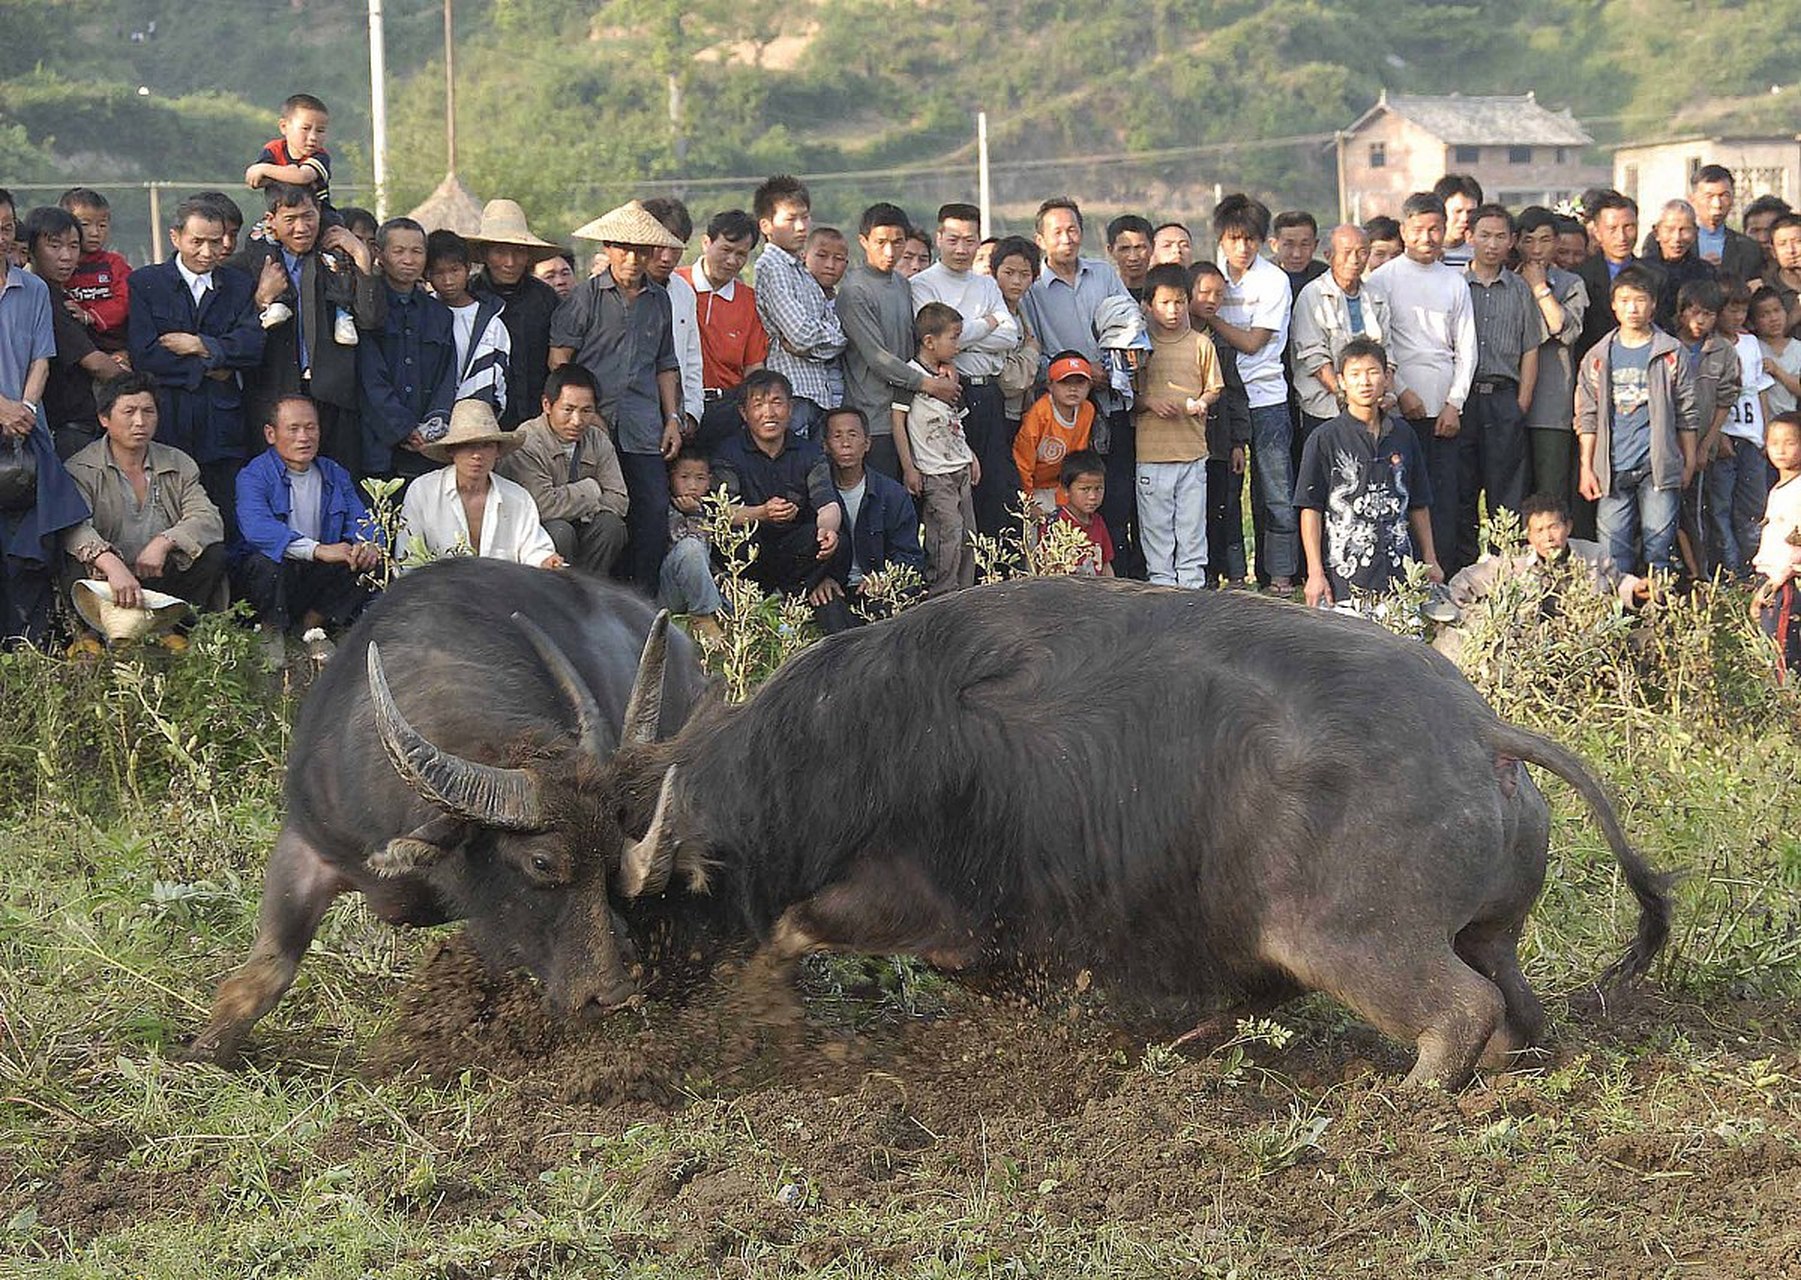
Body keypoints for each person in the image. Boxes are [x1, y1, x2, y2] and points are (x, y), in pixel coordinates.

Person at [552, 200, 685, 588]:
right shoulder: (586, 296)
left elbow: (665, 363)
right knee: (599, 512)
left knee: (652, 510)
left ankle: (641, 601)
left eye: (640, 250)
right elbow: (560, 360)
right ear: (608, 249)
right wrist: (580, 412)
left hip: (643, 425)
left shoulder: (659, 299)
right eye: (623, 248)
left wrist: (672, 418)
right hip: (591, 425)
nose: (631, 258)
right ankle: (590, 595)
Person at [126, 197, 265, 529]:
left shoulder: (239, 285)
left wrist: (200, 344)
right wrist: (214, 364)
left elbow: (252, 347)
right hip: (168, 421)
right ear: (176, 237)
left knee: (224, 519)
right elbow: (146, 355)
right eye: (197, 241)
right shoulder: (146, 283)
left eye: (215, 242)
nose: (207, 252)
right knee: (167, 517)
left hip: (222, 426)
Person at [229, 182, 384, 474]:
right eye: (290, 219)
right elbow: (236, 335)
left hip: (332, 398)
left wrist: (362, 260)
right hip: (273, 394)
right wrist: (262, 298)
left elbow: (370, 320)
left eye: (308, 216)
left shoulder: (337, 260)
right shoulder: (246, 266)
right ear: (271, 221)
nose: (301, 227)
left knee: (336, 484)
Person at [1019, 198, 1136, 573]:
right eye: (1057, 232)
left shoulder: (1103, 274)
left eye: (1073, 230)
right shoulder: (1032, 289)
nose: (1067, 239)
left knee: (1113, 494)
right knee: (1073, 495)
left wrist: (1110, 371)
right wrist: (1078, 374)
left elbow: (1129, 328)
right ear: (1040, 239)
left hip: (1111, 403)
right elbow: (1031, 348)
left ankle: (1112, 574)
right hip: (1061, 403)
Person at [1363, 191, 1477, 575]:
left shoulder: (1454, 282)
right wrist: (1400, 390)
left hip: (1445, 410)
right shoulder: (1381, 280)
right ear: (1403, 231)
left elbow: (1466, 347)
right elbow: (1382, 343)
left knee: (1442, 497)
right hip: (1398, 407)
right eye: (1419, 230)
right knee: (1398, 493)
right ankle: (1398, 579)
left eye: (1435, 229)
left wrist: (1454, 403)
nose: (1427, 237)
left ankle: (1439, 576)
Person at [0, 188, 91, 644]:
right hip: (9, 417)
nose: (1, 238)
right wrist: (4, 407)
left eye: (5, 228)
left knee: (29, 546)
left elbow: (42, 356)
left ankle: (30, 649)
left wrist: (26, 409)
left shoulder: (31, 288)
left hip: (25, 433)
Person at [63, 373, 228, 622]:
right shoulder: (81, 468)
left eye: (148, 411)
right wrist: (111, 564)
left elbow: (207, 517)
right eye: (128, 411)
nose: (140, 421)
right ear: (104, 418)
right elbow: (73, 528)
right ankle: (88, 637)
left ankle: (178, 628)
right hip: (106, 582)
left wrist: (164, 542)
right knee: (71, 557)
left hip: (160, 574)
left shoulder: (178, 463)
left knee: (212, 552)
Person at [1293, 337, 1441, 608]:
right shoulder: (1325, 438)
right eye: (1355, 374)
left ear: (1387, 377)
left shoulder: (1404, 434)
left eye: (1373, 372)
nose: (1365, 382)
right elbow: (1310, 508)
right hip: (1346, 583)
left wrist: (1430, 558)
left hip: (1400, 581)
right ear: (1341, 380)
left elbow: (1419, 501)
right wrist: (1315, 572)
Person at [1576, 266, 1699, 577]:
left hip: (1657, 464)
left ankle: (1660, 611)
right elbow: (1586, 417)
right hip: (1612, 465)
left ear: (1653, 304)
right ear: (1613, 304)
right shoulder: (1597, 356)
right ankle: (1620, 617)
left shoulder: (1671, 352)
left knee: (1659, 546)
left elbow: (1687, 411)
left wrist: (1689, 459)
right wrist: (1586, 466)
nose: (1633, 308)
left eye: (1640, 300)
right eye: (1625, 300)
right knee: (1612, 550)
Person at [911, 202, 1019, 537]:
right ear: (939, 237)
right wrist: (985, 324)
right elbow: (933, 341)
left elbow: (1009, 335)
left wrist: (957, 338)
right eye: (953, 239)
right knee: (952, 490)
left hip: (987, 391)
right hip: (947, 395)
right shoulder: (922, 284)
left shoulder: (985, 284)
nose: (962, 249)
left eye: (970, 240)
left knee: (993, 486)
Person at [233, 393, 378, 642]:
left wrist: (367, 547)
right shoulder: (254, 475)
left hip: (315, 574)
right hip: (276, 575)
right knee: (264, 562)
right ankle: (271, 632)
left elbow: (361, 520)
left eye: (311, 428)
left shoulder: (334, 473)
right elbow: (257, 528)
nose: (304, 437)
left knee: (366, 562)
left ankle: (311, 628)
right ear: (271, 434)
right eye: (294, 429)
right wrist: (318, 550)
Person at [1209, 193, 1298, 593]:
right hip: (1222, 401)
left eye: (1250, 239)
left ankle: (1279, 575)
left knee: (1275, 491)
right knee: (1227, 492)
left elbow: (1253, 343)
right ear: (1221, 239)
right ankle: (1236, 575)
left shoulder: (1274, 280)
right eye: (1233, 238)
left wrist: (1209, 315)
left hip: (1266, 399)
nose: (1242, 247)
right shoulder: (1210, 278)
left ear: (1262, 241)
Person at [840, 202, 957, 479]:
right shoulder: (855, 290)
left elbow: (913, 342)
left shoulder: (903, 284)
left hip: (910, 412)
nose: (890, 251)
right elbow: (877, 357)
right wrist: (929, 384)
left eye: (898, 242)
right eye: (881, 242)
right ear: (863, 241)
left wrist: (941, 365)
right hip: (875, 417)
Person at [706, 368, 840, 596]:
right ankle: (752, 598)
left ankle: (788, 599)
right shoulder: (727, 452)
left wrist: (827, 530)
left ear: (790, 409)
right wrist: (762, 512)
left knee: (837, 542)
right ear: (743, 412)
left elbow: (828, 504)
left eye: (777, 402)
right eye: (758, 404)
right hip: (750, 544)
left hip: (791, 543)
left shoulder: (809, 452)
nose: (769, 412)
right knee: (736, 540)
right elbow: (722, 512)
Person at [1462, 204, 1544, 560]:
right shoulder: (1454, 286)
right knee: (1460, 492)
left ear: (1512, 241)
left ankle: (1505, 574)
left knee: (1506, 495)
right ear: (1469, 238)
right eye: (1484, 236)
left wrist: (1521, 402)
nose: (1492, 244)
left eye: (1500, 237)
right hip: (1462, 399)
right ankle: (1459, 574)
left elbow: (1530, 348)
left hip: (1503, 398)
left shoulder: (1519, 290)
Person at [1132, 263, 1221, 588]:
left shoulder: (1201, 344)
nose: (1173, 310)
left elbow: (1214, 388)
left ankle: (1192, 591)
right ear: (1148, 305)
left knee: (1191, 532)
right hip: (1152, 457)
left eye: (1180, 302)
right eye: (1165, 303)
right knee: (1157, 535)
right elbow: (1130, 397)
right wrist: (1151, 403)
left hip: (1192, 454)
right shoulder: (1139, 347)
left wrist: (1202, 402)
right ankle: (1162, 591)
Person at [1443, 491, 1647, 629]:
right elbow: (1464, 582)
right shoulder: (1513, 563)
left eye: (1554, 527)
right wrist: (1469, 618)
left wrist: (1637, 589)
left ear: (1568, 527)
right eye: (1539, 530)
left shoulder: (1593, 554)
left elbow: (1618, 582)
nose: (1548, 538)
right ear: (1529, 536)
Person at [496, 363, 628, 576]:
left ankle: (588, 593)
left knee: (610, 527)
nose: (577, 421)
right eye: (568, 409)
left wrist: (580, 510)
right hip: (535, 535)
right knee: (560, 531)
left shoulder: (597, 439)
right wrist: (591, 489)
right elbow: (542, 506)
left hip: (582, 526)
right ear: (547, 405)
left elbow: (620, 498)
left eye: (586, 411)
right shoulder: (528, 441)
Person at [399, 399, 561, 569]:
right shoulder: (423, 492)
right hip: (439, 592)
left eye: (486, 446)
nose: (477, 455)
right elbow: (407, 559)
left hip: (502, 591)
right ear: (452, 450)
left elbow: (534, 548)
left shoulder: (518, 498)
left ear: (497, 451)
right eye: (468, 445)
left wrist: (546, 561)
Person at [808, 407, 924, 633]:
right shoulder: (815, 495)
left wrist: (883, 578)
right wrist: (817, 580)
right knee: (828, 611)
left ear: (867, 443)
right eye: (837, 436)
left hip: (877, 584)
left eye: (853, 435)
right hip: (837, 586)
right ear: (825, 445)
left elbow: (910, 555)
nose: (845, 443)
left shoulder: (892, 494)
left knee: (887, 617)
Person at [23, 206, 125, 460]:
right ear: (31, 250)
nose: (66, 256)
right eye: (54, 246)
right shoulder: (43, 296)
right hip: (68, 432)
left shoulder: (63, 296)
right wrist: (136, 382)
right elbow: (94, 363)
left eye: (73, 246)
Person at [359, 217, 457, 480]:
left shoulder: (439, 314)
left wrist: (432, 427)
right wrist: (403, 428)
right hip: (376, 443)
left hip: (426, 446)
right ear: (379, 254)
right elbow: (370, 378)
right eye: (398, 251)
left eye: (417, 251)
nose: (409, 260)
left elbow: (446, 378)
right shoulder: (368, 308)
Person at [752, 176, 846, 439]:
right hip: (793, 392)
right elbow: (800, 334)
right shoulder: (772, 267)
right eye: (791, 219)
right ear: (766, 225)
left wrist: (817, 345)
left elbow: (840, 336)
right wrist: (825, 340)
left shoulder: (802, 271)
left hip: (818, 393)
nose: (801, 227)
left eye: (805, 218)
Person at [893, 302, 977, 594]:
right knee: (946, 534)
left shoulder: (950, 377)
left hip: (959, 465)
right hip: (934, 471)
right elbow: (898, 420)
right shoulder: (912, 375)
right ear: (929, 341)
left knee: (968, 536)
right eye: (953, 337)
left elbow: (958, 420)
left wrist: (972, 456)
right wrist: (909, 467)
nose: (957, 344)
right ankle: (941, 594)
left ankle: (965, 594)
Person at [467, 199, 564, 430]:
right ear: (484, 253)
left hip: (538, 421)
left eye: (518, 252)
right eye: (500, 252)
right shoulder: (468, 297)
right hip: (482, 422)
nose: (510, 262)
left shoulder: (545, 299)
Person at [1290, 224, 1390, 444]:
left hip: (1373, 407)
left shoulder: (1376, 295)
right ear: (1328, 256)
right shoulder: (1313, 295)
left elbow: (1387, 351)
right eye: (1346, 253)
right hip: (1326, 407)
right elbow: (1314, 356)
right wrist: (1346, 396)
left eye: (1362, 252)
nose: (1355, 260)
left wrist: (1382, 393)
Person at [1516, 205, 1588, 509]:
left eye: (1545, 240)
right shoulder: (1505, 281)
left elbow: (1563, 327)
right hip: (1510, 397)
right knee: (1514, 487)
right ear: (1516, 242)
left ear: (1557, 242)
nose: (1536, 249)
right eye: (1528, 240)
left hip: (1552, 401)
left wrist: (1539, 287)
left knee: (1551, 488)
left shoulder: (1571, 284)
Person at [680, 209, 769, 453]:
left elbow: (753, 368)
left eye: (741, 254)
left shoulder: (749, 301)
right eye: (726, 250)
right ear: (706, 242)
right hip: (676, 406)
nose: (732, 261)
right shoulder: (675, 285)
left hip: (727, 410)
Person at [1671, 279, 1740, 578]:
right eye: (1694, 312)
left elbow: (1725, 400)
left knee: (1696, 513)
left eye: (1709, 314)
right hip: (1666, 447)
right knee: (1665, 516)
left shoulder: (1723, 351)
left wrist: (1704, 446)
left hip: (1702, 447)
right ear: (1681, 311)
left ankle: (1701, 576)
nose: (1700, 321)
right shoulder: (1667, 345)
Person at [1709, 276, 1776, 576]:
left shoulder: (1750, 343)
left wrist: (1766, 431)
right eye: (1729, 310)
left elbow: (1761, 388)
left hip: (1752, 436)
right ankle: (1730, 570)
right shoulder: (1711, 345)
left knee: (1752, 506)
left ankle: (1753, 569)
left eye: (1741, 310)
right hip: (1725, 436)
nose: (1735, 317)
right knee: (1720, 506)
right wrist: (1717, 434)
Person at [1191, 262, 1251, 587]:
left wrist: (1238, 442)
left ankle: (1224, 575)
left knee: (1221, 508)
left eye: (1219, 294)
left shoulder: (1221, 341)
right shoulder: (1175, 336)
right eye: (1204, 292)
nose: (1211, 299)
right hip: (1184, 439)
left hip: (1219, 439)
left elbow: (1235, 392)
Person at [424, 230, 510, 413]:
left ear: (468, 268)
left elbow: (498, 377)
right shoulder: (421, 314)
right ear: (427, 275)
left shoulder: (491, 324)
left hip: (476, 415)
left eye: (455, 270)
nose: (448, 280)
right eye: (438, 273)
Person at [642, 197, 705, 446]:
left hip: (672, 418)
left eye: (676, 246)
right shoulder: (613, 291)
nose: (667, 257)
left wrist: (690, 412)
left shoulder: (683, 292)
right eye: (659, 245)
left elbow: (691, 357)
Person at [1576, 191, 1663, 359]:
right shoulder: (1581, 277)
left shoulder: (1656, 276)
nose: (1622, 237)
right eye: (1612, 229)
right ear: (1597, 233)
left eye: (1629, 227)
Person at [1750, 412, 1801, 678]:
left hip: (1786, 583)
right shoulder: (1778, 488)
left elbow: (1796, 547)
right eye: (1774, 442)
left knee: (1782, 655)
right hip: (1771, 579)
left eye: (1790, 442)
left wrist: (1771, 586)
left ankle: (1788, 711)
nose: (1780, 449)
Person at [1014, 350, 1097, 514]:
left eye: (1080, 382)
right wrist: (1028, 501)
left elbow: (1076, 459)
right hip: (1034, 487)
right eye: (1065, 382)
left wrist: (1065, 500)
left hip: (1063, 487)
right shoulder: (1039, 414)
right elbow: (1022, 462)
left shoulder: (1087, 410)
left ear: (1089, 385)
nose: (1073, 388)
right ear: (1050, 385)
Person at [244, 93, 339, 228]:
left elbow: (303, 176)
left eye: (320, 130)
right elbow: (255, 181)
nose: (313, 137)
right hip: (281, 217)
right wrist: (270, 172)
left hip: (319, 217)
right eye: (305, 129)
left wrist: (264, 169)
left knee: (335, 236)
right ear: (284, 126)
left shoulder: (320, 156)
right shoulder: (273, 150)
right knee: (256, 239)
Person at [659, 447, 723, 643]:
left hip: (700, 586)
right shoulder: (663, 506)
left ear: (710, 481)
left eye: (700, 478)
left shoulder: (710, 508)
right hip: (668, 589)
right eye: (684, 477)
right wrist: (695, 516)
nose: (692, 486)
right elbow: (689, 548)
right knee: (691, 548)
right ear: (671, 478)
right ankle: (703, 617)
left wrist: (699, 513)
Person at [57, 188, 132, 355]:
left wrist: (90, 316)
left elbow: (125, 300)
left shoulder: (114, 263)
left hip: (113, 345)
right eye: (85, 224)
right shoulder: (60, 265)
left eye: (102, 225)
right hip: (74, 346)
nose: (95, 232)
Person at [988, 236, 1041, 432]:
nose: (1016, 281)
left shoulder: (1021, 313)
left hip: (1018, 412)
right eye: (1008, 273)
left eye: (1025, 274)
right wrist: (1032, 352)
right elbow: (1009, 381)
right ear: (994, 272)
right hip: (997, 413)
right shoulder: (992, 317)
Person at [1644, 199, 1718, 332]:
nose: (1677, 238)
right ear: (1656, 232)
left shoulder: (1705, 272)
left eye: (1684, 230)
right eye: (1669, 229)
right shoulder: (1641, 271)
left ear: (1695, 233)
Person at [1684, 165, 1765, 281]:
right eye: (1709, 196)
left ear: (1732, 199)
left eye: (1724, 196)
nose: (1717, 204)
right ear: (1692, 199)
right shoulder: (1673, 241)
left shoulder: (1748, 248)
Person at [1056, 450, 1113, 577]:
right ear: (1066, 490)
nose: (1093, 496)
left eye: (1098, 488)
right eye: (1085, 489)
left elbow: (1106, 565)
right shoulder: (1055, 526)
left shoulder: (1098, 522)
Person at [1756, 286, 1801, 418]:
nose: (1774, 318)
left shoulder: (1798, 348)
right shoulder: (1753, 347)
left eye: (1777, 310)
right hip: (1760, 424)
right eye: (1764, 314)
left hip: (1790, 422)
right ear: (1753, 322)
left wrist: (1777, 370)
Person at [1272, 210, 1326, 297]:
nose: (1297, 254)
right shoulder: (1261, 276)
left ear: (1315, 245)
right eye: (1289, 244)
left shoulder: (1326, 277)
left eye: (1304, 245)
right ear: (1274, 245)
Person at [1433, 174, 1483, 269]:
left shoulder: (1481, 256)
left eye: (1470, 212)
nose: (1465, 218)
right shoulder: (1422, 254)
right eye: (1458, 211)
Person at [1106, 214, 1154, 300]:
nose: (1133, 257)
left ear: (1152, 247)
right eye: (1124, 249)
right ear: (1110, 250)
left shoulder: (1163, 295)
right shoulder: (1104, 294)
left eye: (1139, 248)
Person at [803, 227, 851, 298]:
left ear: (846, 264)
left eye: (838, 258)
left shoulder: (843, 300)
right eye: (822, 256)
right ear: (803, 256)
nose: (830, 265)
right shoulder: (797, 291)